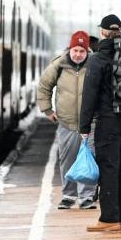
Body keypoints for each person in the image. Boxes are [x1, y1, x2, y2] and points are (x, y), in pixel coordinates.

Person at [79, 14, 121, 232]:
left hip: (108, 120)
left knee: (109, 168)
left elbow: (89, 95)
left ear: (102, 32)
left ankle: (109, 218)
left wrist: (84, 126)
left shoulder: (98, 59)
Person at [37, 31, 97, 210]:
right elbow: (44, 86)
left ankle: (87, 196)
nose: (78, 54)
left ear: (87, 51)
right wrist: (47, 110)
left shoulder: (95, 64)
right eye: (75, 50)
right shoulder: (59, 65)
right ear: (70, 49)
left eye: (82, 51)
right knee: (67, 158)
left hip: (90, 122)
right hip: (67, 122)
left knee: (89, 159)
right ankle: (68, 195)